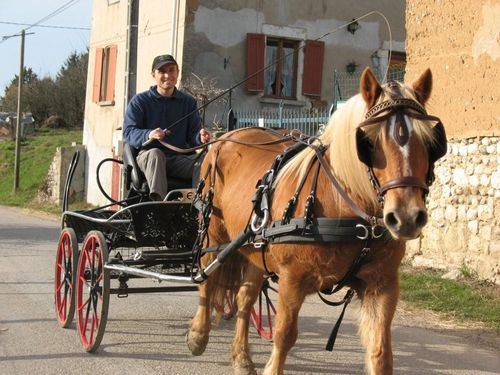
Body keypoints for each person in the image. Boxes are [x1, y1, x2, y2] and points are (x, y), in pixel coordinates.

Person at [123, 54, 211, 201]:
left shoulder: (188, 102)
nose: (167, 75)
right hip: (149, 157)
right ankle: (158, 205)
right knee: (156, 154)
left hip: (178, 159)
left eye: (171, 70)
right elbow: (128, 132)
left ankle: (197, 204)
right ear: (153, 75)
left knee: (205, 161)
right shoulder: (140, 101)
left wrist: (200, 137)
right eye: (162, 71)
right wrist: (148, 134)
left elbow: (193, 136)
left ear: (177, 73)